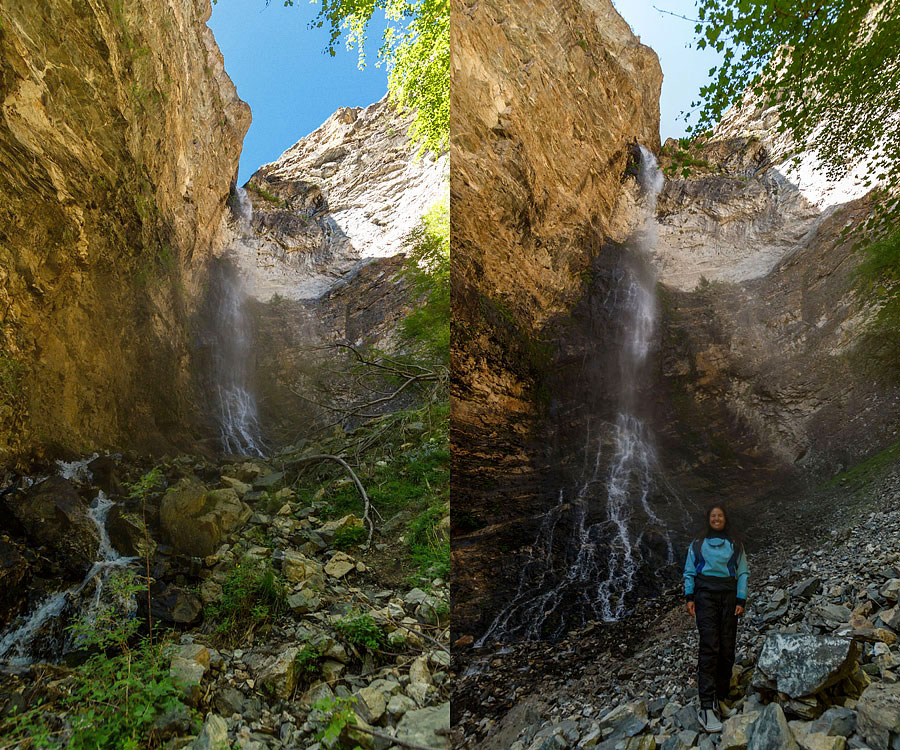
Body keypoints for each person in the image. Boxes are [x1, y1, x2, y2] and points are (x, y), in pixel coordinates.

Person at [683, 504, 749, 733]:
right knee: (710, 646)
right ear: (708, 519)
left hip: (729, 598)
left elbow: (743, 572)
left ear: (725, 519)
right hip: (705, 597)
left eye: (720, 515)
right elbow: (689, 571)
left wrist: (741, 600)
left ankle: (719, 699)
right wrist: (689, 596)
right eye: (713, 515)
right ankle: (706, 707)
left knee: (727, 649)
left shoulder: (735, 545)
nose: (717, 518)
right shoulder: (697, 544)